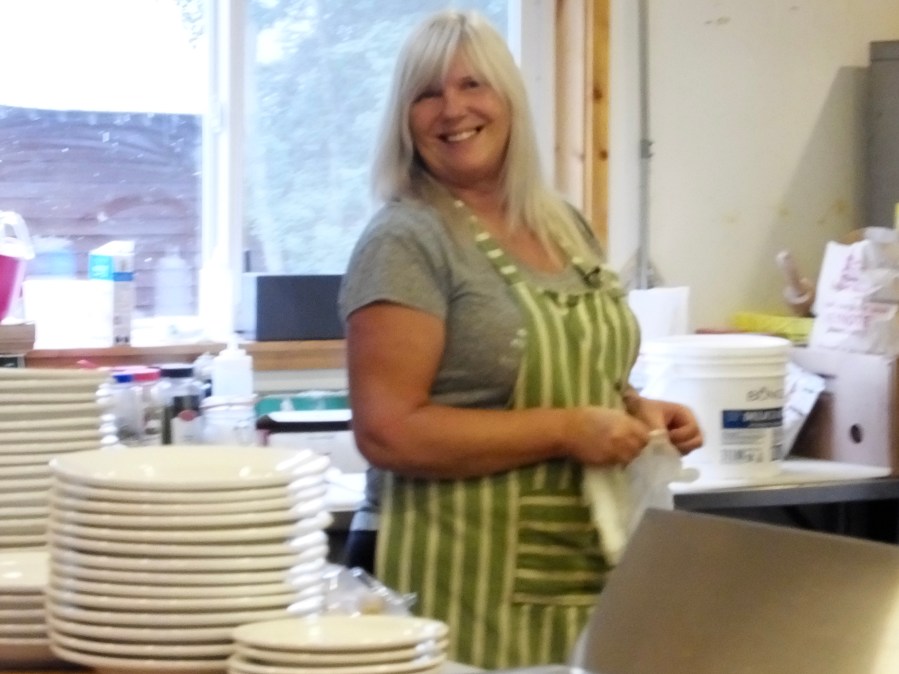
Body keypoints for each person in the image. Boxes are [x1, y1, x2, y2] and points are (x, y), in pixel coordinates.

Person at [337, 9, 702, 669]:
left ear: (508, 98)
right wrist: (566, 430)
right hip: (454, 577)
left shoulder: (562, 225)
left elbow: (583, 373)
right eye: (427, 93)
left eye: (472, 84)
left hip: (581, 570)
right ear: (404, 119)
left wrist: (635, 410)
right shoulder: (406, 240)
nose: (452, 109)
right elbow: (387, 432)